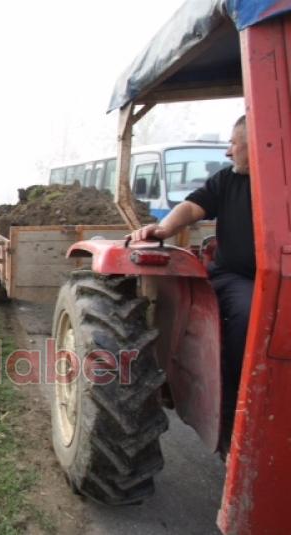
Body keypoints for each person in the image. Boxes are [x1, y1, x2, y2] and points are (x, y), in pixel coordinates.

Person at [128, 115, 254, 451]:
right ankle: (235, 410)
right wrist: (164, 229)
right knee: (248, 315)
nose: (228, 151)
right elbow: (192, 206)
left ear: (258, 144)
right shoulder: (228, 180)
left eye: (234, 143)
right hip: (237, 277)